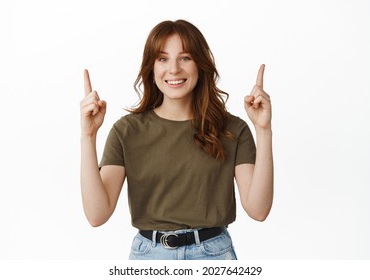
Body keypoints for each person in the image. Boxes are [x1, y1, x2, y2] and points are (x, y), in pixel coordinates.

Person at [80, 19, 273, 260]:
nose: (173, 69)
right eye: (162, 59)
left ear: (201, 65)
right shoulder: (126, 131)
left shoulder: (233, 129)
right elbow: (97, 215)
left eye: (185, 57)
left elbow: (259, 210)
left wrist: (263, 130)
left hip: (213, 255)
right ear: (151, 68)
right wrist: (88, 136)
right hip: (149, 257)